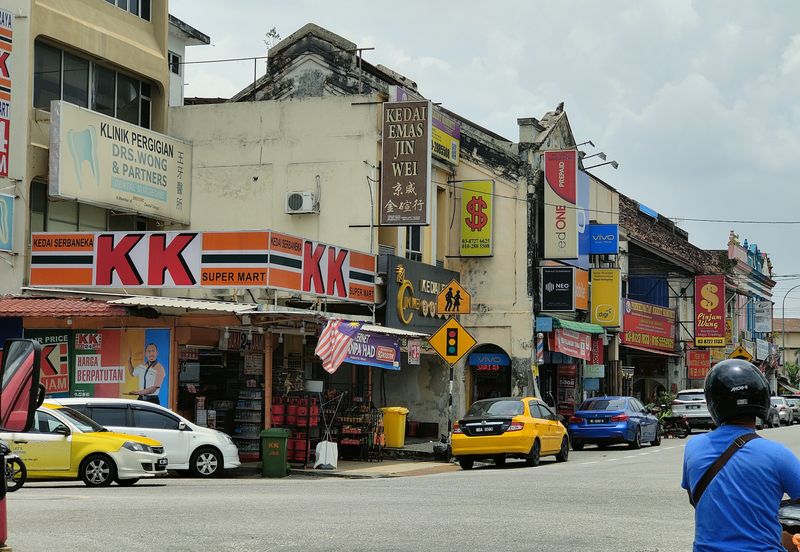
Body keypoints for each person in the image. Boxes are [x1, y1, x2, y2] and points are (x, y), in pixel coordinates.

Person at [682, 359, 800, 551]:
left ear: (714, 403)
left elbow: (698, 501)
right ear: (762, 398)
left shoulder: (693, 446)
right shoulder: (778, 454)